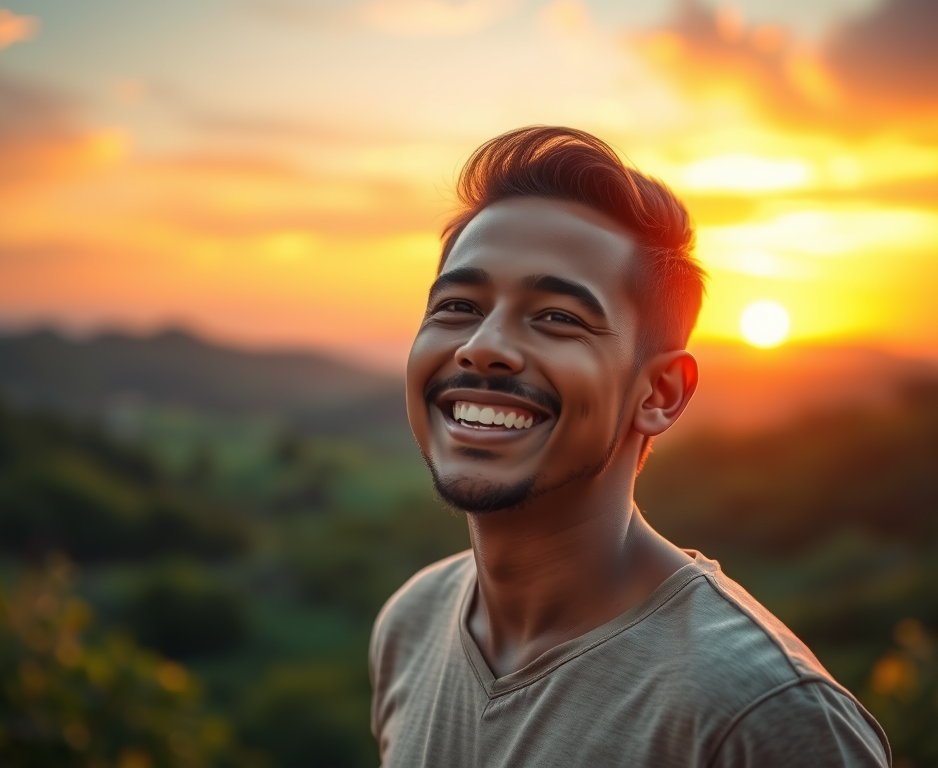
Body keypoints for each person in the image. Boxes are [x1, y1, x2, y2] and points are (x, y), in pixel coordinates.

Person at [369, 126, 890, 767]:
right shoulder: (412, 624)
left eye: (557, 316)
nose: (483, 345)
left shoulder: (759, 713)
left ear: (660, 393)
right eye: (456, 305)